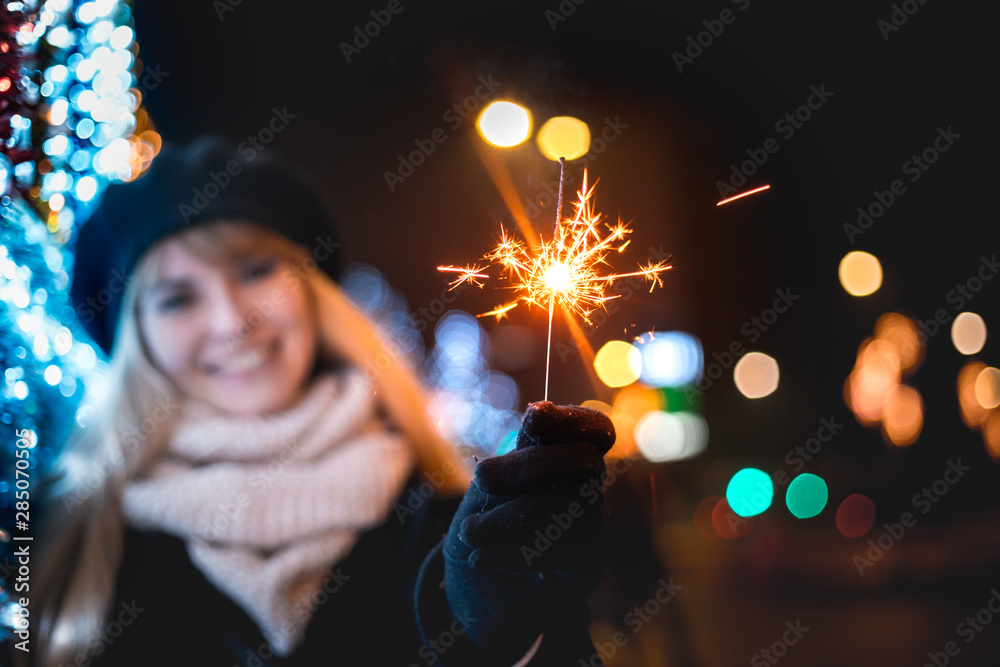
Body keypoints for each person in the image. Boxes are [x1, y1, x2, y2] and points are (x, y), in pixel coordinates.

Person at [26, 136, 615, 667]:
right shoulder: (60, 540)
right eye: (178, 299)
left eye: (256, 271)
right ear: (137, 341)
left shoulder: (455, 527)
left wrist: (512, 644)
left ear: (313, 297)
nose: (233, 321)